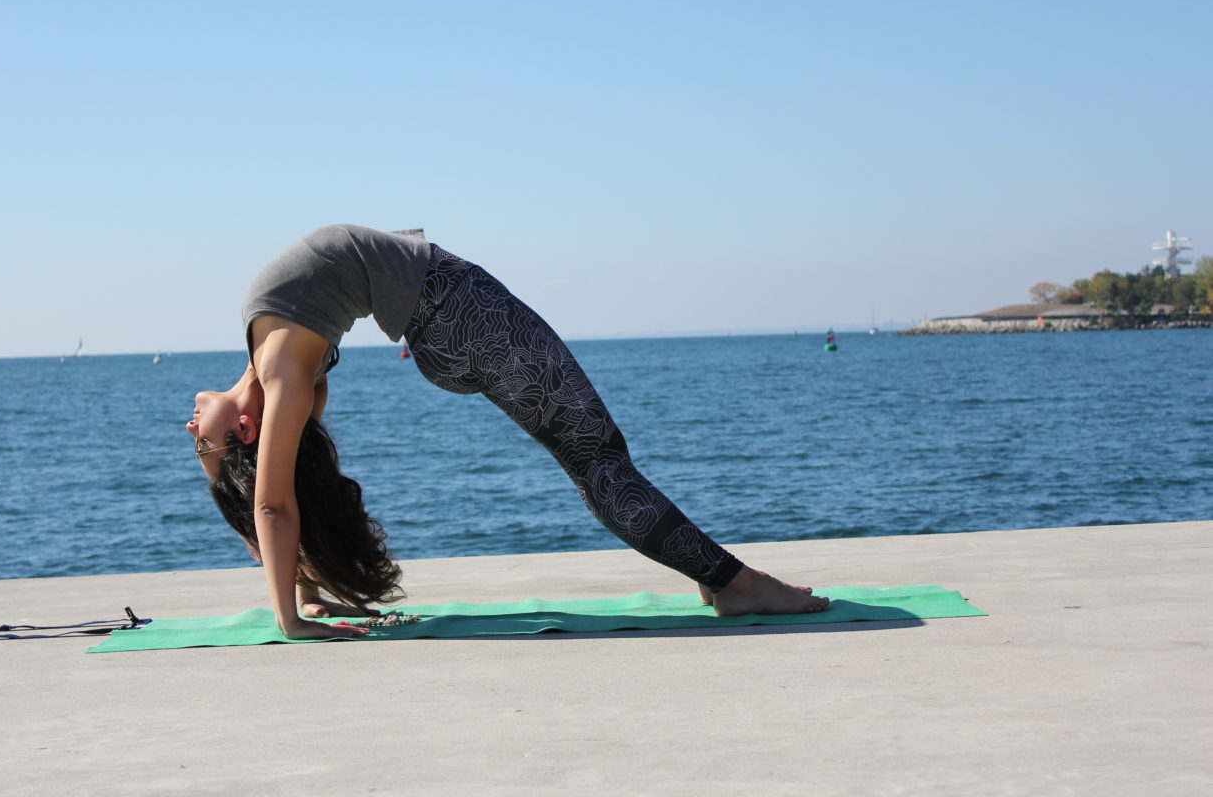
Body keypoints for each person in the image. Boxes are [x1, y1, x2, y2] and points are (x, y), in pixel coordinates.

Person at [187, 225, 828, 640]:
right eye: (204, 444)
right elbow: (272, 503)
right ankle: (736, 585)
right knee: (599, 460)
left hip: (451, 318)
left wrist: (307, 590)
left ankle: (709, 573)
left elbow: (292, 487)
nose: (192, 428)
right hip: (464, 316)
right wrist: (291, 620)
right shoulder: (282, 370)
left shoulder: (275, 354)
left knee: (595, 459)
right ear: (245, 427)